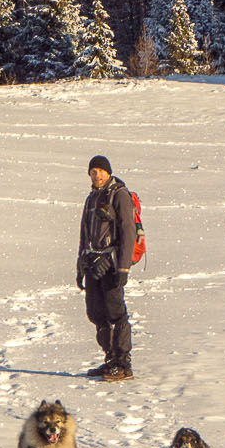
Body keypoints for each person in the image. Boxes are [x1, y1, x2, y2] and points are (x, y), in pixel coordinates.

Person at [75, 154, 137, 381]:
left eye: (101, 171)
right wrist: (80, 266)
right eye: (93, 171)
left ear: (108, 172)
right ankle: (110, 359)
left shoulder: (119, 195)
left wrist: (123, 268)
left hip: (111, 265)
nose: (97, 175)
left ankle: (123, 363)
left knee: (115, 312)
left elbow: (128, 233)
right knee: (95, 312)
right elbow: (84, 234)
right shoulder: (91, 198)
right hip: (92, 263)